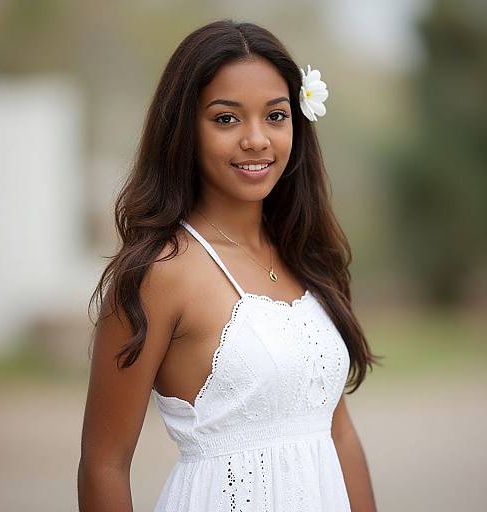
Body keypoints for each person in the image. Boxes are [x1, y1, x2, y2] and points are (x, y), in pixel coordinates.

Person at [78, 18, 382, 512]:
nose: (257, 140)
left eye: (276, 116)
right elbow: (103, 463)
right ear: (184, 130)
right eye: (226, 119)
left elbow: (338, 432)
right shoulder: (161, 273)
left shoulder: (303, 255)